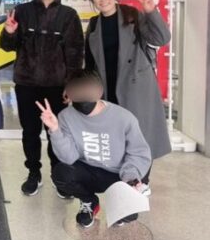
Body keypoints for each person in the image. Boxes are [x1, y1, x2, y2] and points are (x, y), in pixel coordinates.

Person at [0, 0, 84, 197]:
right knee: (30, 131)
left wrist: (72, 85)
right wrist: (9, 32)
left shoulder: (68, 15)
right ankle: (33, 173)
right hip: (27, 84)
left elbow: (76, 53)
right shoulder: (22, 11)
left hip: (57, 86)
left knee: (56, 132)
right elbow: (7, 46)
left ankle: (58, 175)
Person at [85, 0, 171, 190]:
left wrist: (151, 12)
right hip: (107, 86)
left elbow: (161, 38)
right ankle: (125, 178)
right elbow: (90, 61)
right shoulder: (94, 25)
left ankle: (143, 181)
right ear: (93, 1)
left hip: (136, 85)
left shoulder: (132, 15)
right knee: (116, 134)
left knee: (141, 134)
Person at [40, 70, 152, 228]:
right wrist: (55, 130)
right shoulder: (66, 116)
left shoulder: (124, 118)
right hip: (89, 170)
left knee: (129, 216)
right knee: (61, 173)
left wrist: (130, 178)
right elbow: (69, 158)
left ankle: (117, 200)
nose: (83, 97)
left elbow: (139, 153)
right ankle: (89, 201)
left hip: (118, 174)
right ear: (68, 93)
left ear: (99, 91)